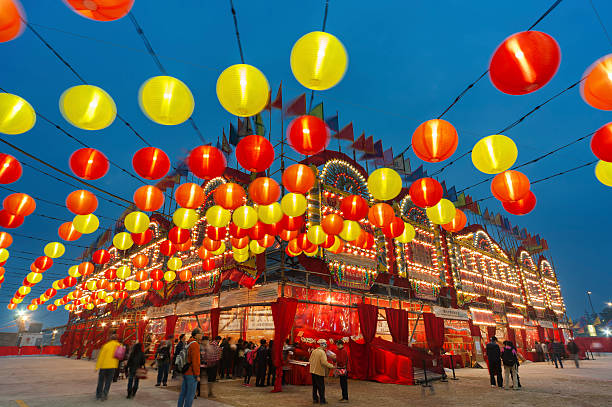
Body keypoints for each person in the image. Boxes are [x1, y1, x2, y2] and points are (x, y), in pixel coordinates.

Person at [177, 328, 202, 407]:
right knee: (190, 395)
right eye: (201, 334)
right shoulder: (195, 345)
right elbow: (196, 361)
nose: (202, 335)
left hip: (185, 371)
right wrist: (197, 375)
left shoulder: (188, 343)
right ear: (196, 335)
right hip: (191, 373)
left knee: (183, 393)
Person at [95, 334, 121, 401]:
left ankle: (98, 395)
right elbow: (119, 357)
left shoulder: (106, 345)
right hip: (112, 367)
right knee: (108, 382)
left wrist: (97, 366)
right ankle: (105, 395)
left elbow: (101, 357)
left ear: (110, 339)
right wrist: (116, 365)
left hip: (104, 366)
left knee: (101, 381)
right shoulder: (119, 346)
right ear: (116, 339)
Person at [309, 339, 335, 404]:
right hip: (319, 371)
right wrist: (332, 366)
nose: (326, 346)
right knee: (321, 387)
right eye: (325, 344)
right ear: (323, 345)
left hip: (313, 371)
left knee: (315, 386)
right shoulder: (322, 352)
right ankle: (322, 400)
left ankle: (315, 399)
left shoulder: (314, 351)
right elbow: (324, 362)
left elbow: (310, 360)